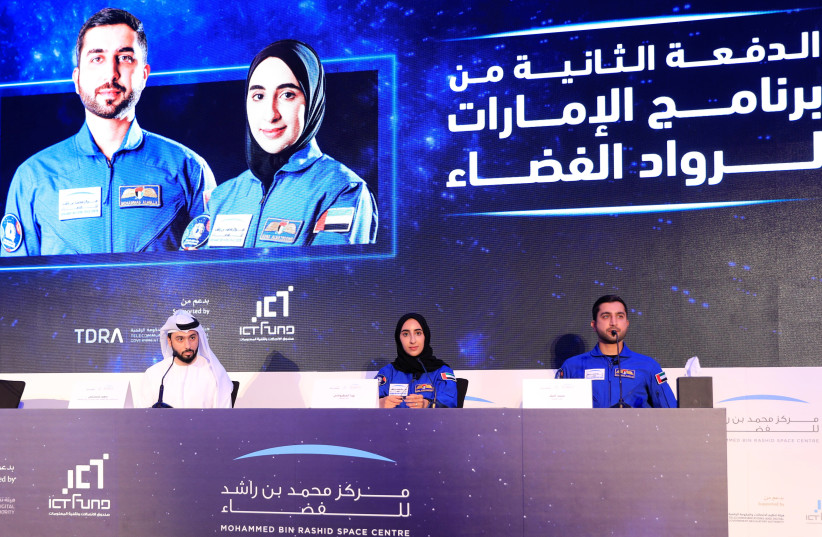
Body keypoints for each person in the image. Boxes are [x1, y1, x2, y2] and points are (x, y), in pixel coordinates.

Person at [1, 8, 215, 257]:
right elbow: (17, 287)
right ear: (77, 79)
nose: (110, 73)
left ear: (144, 75)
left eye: (124, 58)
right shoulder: (34, 177)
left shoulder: (187, 169)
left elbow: (212, 277)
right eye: (97, 58)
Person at [204, 39, 377, 248]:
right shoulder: (223, 197)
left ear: (313, 100)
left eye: (287, 95)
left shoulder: (341, 190)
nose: (270, 114)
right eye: (258, 96)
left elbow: (329, 277)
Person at [555, 295, 677, 408]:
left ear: (627, 323)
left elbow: (670, 411)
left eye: (620, 316)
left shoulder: (649, 366)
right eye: (606, 316)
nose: (614, 322)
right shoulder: (571, 367)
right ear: (594, 325)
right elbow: (556, 417)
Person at [141, 310, 234, 408]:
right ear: (169, 341)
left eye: (192, 338)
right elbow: (143, 418)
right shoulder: (154, 374)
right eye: (180, 339)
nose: (188, 345)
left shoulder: (215, 373)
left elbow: (224, 417)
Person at [376, 313, 458, 408]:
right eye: (406, 334)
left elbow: (449, 405)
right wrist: (380, 403)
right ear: (399, 339)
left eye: (418, 333)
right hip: (391, 422)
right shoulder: (387, 372)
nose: (412, 340)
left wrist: (427, 404)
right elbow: (366, 402)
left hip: (430, 423)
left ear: (425, 336)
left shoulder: (441, 371)